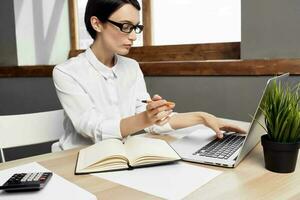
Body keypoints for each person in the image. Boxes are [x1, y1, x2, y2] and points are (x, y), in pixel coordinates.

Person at [52, 0, 245, 151]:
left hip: (122, 155)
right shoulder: (66, 72)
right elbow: (93, 128)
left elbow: (152, 123)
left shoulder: (131, 67)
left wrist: (202, 118)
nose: (134, 36)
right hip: (76, 159)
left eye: (135, 27)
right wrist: (147, 117)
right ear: (97, 23)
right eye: (125, 26)